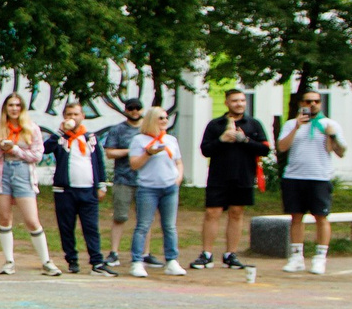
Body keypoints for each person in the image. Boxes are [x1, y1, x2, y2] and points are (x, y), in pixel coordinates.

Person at [0, 92, 56, 276]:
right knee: (4, 218)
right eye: (11, 105)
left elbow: (37, 155)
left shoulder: (31, 128)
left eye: (17, 105)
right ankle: (9, 261)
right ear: (5, 108)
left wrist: (15, 149)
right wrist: (0, 148)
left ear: (22, 108)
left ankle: (46, 261)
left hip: (23, 173)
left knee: (32, 220)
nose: (14, 109)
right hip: (1, 173)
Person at [276, 88, 346, 275]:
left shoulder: (329, 124)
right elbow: (282, 147)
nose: (312, 104)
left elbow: (341, 152)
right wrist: (296, 127)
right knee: (296, 216)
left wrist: (332, 135)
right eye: (308, 101)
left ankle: (320, 257)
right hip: (294, 176)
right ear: (301, 104)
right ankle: (296, 257)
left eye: (316, 101)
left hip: (319, 177)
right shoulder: (291, 124)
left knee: (321, 217)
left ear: (320, 104)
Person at [196, 90, 270, 269]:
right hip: (218, 176)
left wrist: (244, 140)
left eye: (242, 100)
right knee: (212, 213)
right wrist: (222, 140)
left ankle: (231, 254)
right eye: (235, 100)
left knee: (236, 213)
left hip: (243, 175)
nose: (239, 104)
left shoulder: (253, 124)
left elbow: (265, 149)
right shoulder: (215, 124)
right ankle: (206, 254)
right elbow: (205, 150)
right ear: (227, 103)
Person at [46, 99, 110, 275]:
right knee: (66, 227)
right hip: (65, 191)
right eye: (69, 114)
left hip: (88, 190)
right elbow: (45, 149)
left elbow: (99, 162)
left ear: (82, 116)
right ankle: (72, 259)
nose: (73, 117)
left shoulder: (90, 138)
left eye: (76, 114)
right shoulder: (61, 138)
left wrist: (101, 185)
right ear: (64, 117)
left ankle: (96, 261)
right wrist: (60, 132)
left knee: (91, 227)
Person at [128, 104, 185, 277]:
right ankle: (137, 261)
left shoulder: (170, 140)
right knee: (143, 225)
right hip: (148, 188)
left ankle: (172, 260)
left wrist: (178, 178)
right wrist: (148, 153)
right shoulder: (139, 140)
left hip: (169, 187)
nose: (165, 121)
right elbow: (134, 165)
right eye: (161, 118)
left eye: (166, 117)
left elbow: (178, 162)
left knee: (169, 226)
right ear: (152, 120)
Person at [98, 97, 146, 245]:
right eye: (131, 108)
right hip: (123, 179)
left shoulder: (147, 129)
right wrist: (131, 151)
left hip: (145, 180)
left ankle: (145, 252)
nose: (134, 111)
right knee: (120, 217)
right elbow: (110, 152)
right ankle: (114, 251)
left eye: (137, 108)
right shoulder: (117, 129)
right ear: (125, 110)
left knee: (145, 219)